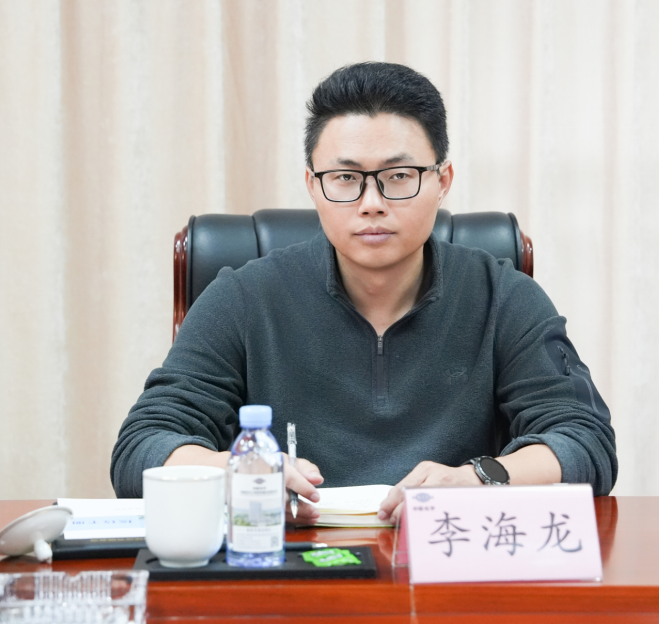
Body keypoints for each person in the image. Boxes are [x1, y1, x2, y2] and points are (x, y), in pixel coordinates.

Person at [111, 62, 617, 524]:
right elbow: (143, 445)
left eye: (398, 176)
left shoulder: (503, 297)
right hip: (285, 562)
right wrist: (235, 471)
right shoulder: (243, 298)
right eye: (345, 178)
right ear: (313, 185)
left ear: (443, 181)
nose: (371, 203)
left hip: (448, 561)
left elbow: (584, 439)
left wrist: (480, 477)